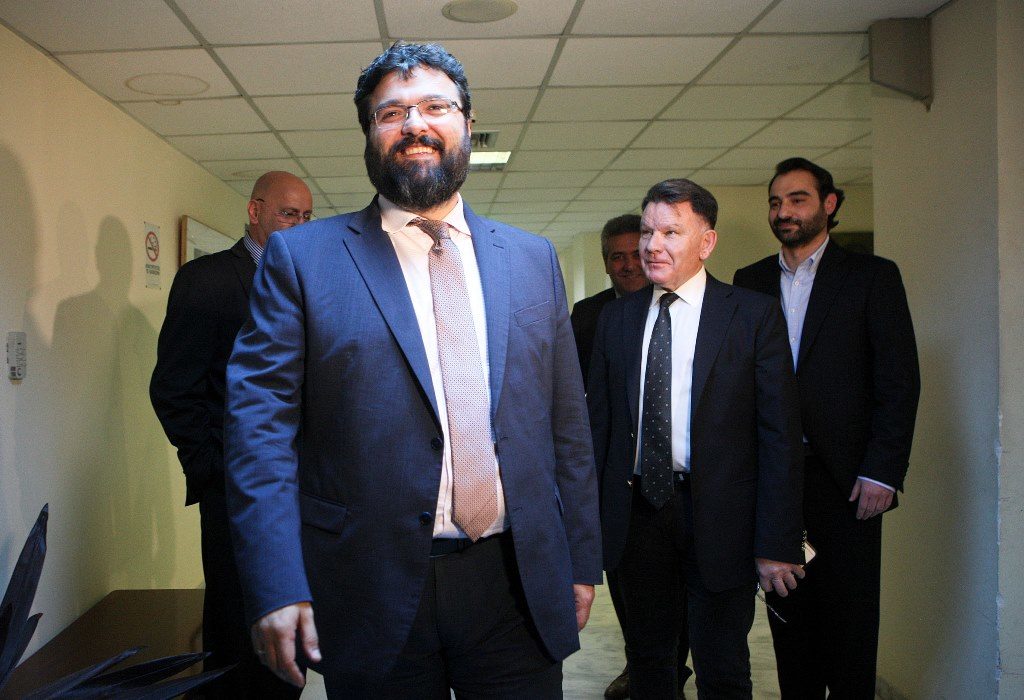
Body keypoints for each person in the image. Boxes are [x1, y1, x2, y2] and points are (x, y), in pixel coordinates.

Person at [223, 42, 602, 698]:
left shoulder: (532, 259)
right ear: (369, 135)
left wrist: (582, 557)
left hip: (516, 581)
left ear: (467, 123)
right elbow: (259, 433)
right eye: (391, 113)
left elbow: (566, 424)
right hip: (366, 586)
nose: (414, 124)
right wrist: (276, 581)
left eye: (435, 107)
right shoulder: (302, 260)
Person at [588, 178, 805, 699]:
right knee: (649, 665)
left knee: (722, 668)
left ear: (706, 242)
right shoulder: (616, 319)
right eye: (647, 232)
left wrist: (777, 540)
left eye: (670, 232)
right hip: (637, 517)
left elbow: (780, 437)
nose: (652, 245)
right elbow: (599, 431)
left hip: (721, 519)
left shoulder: (751, 315)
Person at [733, 157, 920, 698]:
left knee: (851, 629)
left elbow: (898, 381)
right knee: (790, 625)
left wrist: (884, 471)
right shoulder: (750, 282)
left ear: (829, 204)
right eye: (776, 202)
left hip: (850, 483)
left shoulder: (872, 277)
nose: (784, 211)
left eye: (798, 199)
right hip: (776, 482)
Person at [150, 171, 312, 696]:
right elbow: (174, 389)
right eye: (288, 214)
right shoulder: (208, 280)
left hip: (301, 487)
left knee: (291, 623)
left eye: (306, 217)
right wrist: (214, 471)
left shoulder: (307, 281)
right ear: (255, 211)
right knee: (237, 631)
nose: (298, 226)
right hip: (234, 490)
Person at [569, 214, 691, 699]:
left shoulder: (687, 309)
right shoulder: (590, 315)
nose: (626, 265)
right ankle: (645, 667)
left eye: (633, 254)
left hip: (684, 481)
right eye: (615, 257)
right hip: (620, 478)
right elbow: (579, 396)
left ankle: (671, 667)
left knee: (684, 595)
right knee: (631, 590)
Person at [571, 214, 647, 388]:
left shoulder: (672, 307)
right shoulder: (585, 315)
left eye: (637, 255)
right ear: (606, 264)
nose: (629, 266)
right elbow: (571, 382)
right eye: (618, 257)